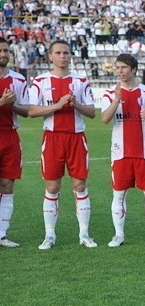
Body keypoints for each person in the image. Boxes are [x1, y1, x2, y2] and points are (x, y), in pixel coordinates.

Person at [28, 40, 97, 250]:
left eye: (66, 53)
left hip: (76, 138)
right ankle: (49, 236)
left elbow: (92, 112)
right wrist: (58, 106)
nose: (62, 56)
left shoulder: (81, 81)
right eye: (58, 53)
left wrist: (75, 104)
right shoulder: (40, 81)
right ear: (50, 56)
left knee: (80, 186)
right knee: (52, 187)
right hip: (52, 138)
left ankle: (84, 234)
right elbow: (31, 111)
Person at [101, 54, 145, 247]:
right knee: (118, 194)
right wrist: (116, 101)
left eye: (124, 67)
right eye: (117, 67)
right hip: (120, 152)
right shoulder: (110, 93)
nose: (120, 71)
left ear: (134, 69)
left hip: (144, 152)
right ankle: (118, 235)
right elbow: (104, 119)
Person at [0, 37, 29, 248]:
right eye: (0, 51)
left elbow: (26, 111)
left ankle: (2, 234)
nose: (3, 54)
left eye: (6, 51)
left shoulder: (18, 79)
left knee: (8, 184)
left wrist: (13, 104)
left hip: (10, 136)